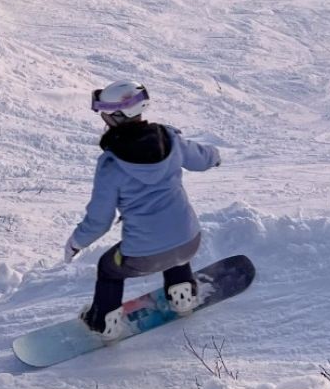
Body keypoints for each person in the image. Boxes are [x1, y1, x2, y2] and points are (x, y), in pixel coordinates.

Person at [64, 80, 223, 339]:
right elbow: (202, 158)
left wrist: (76, 242)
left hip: (143, 257)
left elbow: (100, 221)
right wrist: (215, 157)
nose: (102, 117)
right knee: (172, 238)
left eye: (104, 111)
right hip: (190, 242)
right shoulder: (170, 139)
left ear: (116, 116)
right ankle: (182, 294)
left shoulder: (111, 165)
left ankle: (103, 323)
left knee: (108, 267)